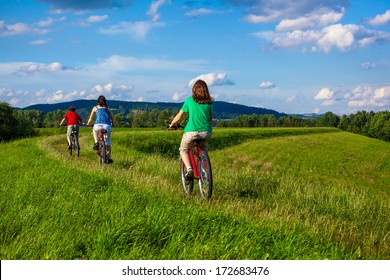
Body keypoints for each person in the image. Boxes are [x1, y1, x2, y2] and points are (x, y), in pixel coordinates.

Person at [169, 79, 213, 179]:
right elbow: (210, 119)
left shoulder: (189, 100)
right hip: (207, 132)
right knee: (203, 148)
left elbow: (179, 116)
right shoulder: (209, 103)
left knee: (183, 149)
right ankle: (204, 170)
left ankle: (189, 169)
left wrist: (172, 124)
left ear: (194, 90)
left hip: (191, 132)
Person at [87, 95, 114, 164]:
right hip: (107, 126)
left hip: (97, 125)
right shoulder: (107, 108)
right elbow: (111, 117)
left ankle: (96, 142)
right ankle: (109, 157)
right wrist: (112, 123)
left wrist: (88, 124)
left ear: (98, 101)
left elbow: (91, 118)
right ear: (105, 101)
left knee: (94, 130)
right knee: (107, 141)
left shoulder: (95, 108)